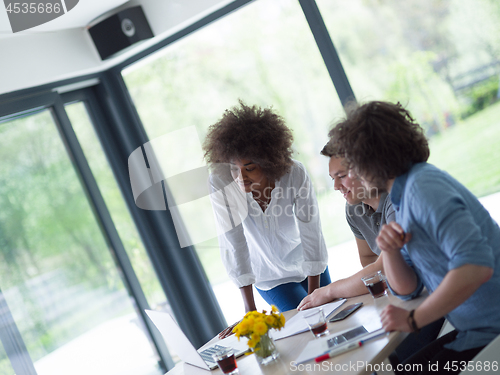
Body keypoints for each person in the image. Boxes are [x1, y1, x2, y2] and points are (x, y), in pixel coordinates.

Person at [328, 100, 500, 374]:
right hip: (476, 330)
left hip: (492, 332)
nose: (354, 175)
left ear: (373, 158)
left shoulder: (422, 188)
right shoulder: (404, 197)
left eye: (354, 165)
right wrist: (391, 252)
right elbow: (407, 289)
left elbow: (475, 266)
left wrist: (413, 319)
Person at [202, 101, 330, 320]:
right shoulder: (221, 182)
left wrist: (315, 293)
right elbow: (235, 244)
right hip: (270, 278)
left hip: (310, 264)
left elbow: (311, 230)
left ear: (268, 161)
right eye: (234, 169)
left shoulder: (294, 173)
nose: (240, 177)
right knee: (306, 323)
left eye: (249, 168)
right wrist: (249, 310)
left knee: (331, 317)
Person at [297, 149, 394, 310]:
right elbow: (368, 257)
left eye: (341, 176)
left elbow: (384, 267)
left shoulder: (396, 200)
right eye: (332, 178)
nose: (335, 186)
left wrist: (329, 291)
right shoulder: (353, 209)